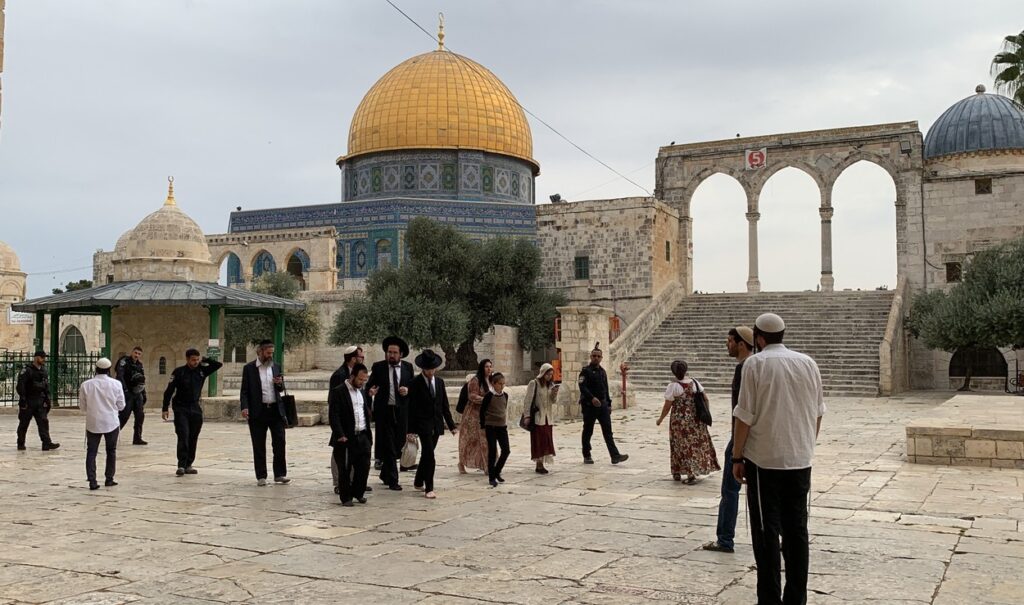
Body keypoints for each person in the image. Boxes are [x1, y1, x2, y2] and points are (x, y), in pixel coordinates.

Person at [733, 313, 825, 605]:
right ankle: (796, 598)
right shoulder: (808, 363)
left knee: (766, 532)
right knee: (797, 530)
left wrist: (737, 457)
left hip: (764, 462)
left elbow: (744, 417)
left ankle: (770, 598)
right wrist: (805, 445)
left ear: (758, 338)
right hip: (800, 460)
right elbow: (817, 413)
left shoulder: (755, 364)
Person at [704, 326, 755, 554]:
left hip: (741, 438)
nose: (727, 345)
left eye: (729, 341)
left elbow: (741, 410)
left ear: (741, 344)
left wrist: (737, 449)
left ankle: (725, 539)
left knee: (730, 490)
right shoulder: (755, 366)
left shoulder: (745, 369)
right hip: (758, 438)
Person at [656, 360, 720, 484]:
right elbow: (706, 399)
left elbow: (667, 406)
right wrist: (706, 414)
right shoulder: (695, 382)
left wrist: (660, 419)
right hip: (696, 420)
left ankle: (679, 471)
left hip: (679, 421)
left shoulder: (673, 386)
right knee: (694, 445)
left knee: (679, 445)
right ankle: (693, 471)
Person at [162, 348, 223, 476]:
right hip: (181, 408)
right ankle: (181, 465)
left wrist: (206, 360)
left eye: (197, 359)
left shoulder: (201, 371)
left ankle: (189, 464)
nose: (195, 362)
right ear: (187, 359)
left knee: (193, 437)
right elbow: (169, 390)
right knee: (183, 435)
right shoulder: (179, 372)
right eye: (193, 360)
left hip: (195, 408)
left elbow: (218, 365)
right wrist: (165, 408)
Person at [407, 349, 457, 499]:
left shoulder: (440, 382)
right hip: (422, 424)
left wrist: (451, 425)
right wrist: (410, 430)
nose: (430, 371)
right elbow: (411, 408)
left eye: (432, 368)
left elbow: (444, 405)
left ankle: (418, 480)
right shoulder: (414, 383)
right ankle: (429, 487)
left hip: (436, 423)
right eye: (428, 369)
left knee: (427, 454)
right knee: (430, 455)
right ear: (423, 368)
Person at [240, 340, 289, 486]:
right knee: (259, 445)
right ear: (260, 352)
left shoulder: (276, 366)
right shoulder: (249, 369)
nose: (270, 356)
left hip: (275, 410)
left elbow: (280, 389)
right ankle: (261, 476)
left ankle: (280, 474)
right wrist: (244, 407)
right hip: (258, 411)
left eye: (272, 353)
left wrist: (279, 383)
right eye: (268, 353)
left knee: (280, 443)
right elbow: (244, 391)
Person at [328, 346, 376, 494]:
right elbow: (334, 404)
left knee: (359, 458)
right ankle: (340, 483)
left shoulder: (360, 379)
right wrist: (339, 431)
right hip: (344, 425)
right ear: (354, 358)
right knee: (341, 457)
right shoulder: (339, 375)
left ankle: (357, 484)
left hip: (358, 426)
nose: (362, 359)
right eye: (361, 357)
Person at [367, 336, 413, 490]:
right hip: (384, 412)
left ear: (401, 354)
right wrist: (371, 391)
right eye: (389, 352)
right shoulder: (378, 367)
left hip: (401, 412)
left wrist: (407, 390)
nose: (391, 355)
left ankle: (385, 474)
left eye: (394, 353)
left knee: (398, 444)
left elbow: (413, 386)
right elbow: (369, 386)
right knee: (388, 445)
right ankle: (393, 480)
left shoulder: (408, 368)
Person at [78, 358, 125, 490]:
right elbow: (121, 405)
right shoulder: (116, 384)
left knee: (91, 451)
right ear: (109, 370)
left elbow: (82, 407)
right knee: (111, 451)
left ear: (96, 369)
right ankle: (109, 478)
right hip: (111, 422)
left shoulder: (86, 385)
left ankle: (92, 480)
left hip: (93, 422)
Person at [578, 344, 628, 465]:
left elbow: (605, 389)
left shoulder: (602, 372)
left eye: (598, 356)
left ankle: (615, 455)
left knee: (608, 432)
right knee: (588, 431)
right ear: (591, 357)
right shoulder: (585, 371)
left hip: (603, 406)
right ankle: (587, 454)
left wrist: (609, 404)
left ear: (601, 358)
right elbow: (582, 387)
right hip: (589, 406)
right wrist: (592, 398)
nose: (596, 358)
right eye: (594, 356)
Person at [16, 350, 60, 451]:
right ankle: (21, 443)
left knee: (43, 422)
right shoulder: (27, 370)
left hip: (39, 401)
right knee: (24, 423)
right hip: (28, 400)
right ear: (36, 358)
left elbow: (46, 386)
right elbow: (20, 386)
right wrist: (23, 399)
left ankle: (46, 443)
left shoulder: (43, 371)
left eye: (44, 357)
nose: (44, 359)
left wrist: (47, 399)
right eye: (42, 357)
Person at [523, 363, 559, 474]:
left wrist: (554, 393)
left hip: (548, 418)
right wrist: (527, 415)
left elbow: (553, 401)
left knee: (546, 440)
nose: (549, 377)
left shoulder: (550, 385)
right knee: (538, 441)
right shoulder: (534, 383)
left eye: (551, 375)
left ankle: (542, 462)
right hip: (538, 418)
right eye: (547, 374)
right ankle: (539, 464)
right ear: (543, 373)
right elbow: (528, 400)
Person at [458, 359, 492, 474]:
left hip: (486, 415)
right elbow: (472, 395)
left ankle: (487, 465)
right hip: (473, 415)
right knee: (469, 440)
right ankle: (461, 462)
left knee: (486, 440)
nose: (489, 369)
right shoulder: (475, 380)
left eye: (490, 366)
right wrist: (485, 399)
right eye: (486, 366)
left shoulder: (491, 380)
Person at [479, 372, 510, 488]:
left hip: (502, 426)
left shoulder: (505, 395)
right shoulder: (489, 396)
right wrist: (483, 425)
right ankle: (491, 477)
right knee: (492, 451)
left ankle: (497, 471)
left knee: (506, 450)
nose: (502, 386)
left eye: (503, 384)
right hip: (491, 426)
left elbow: (503, 408)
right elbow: (482, 411)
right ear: (493, 384)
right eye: (499, 384)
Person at [116, 346, 148, 445]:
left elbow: (142, 380)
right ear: (132, 352)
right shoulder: (124, 361)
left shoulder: (139, 365)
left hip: (137, 393)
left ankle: (137, 438)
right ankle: (113, 435)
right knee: (124, 416)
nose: (136, 355)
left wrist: (143, 393)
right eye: (135, 353)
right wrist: (125, 390)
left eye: (139, 354)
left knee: (140, 416)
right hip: (128, 392)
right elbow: (120, 376)